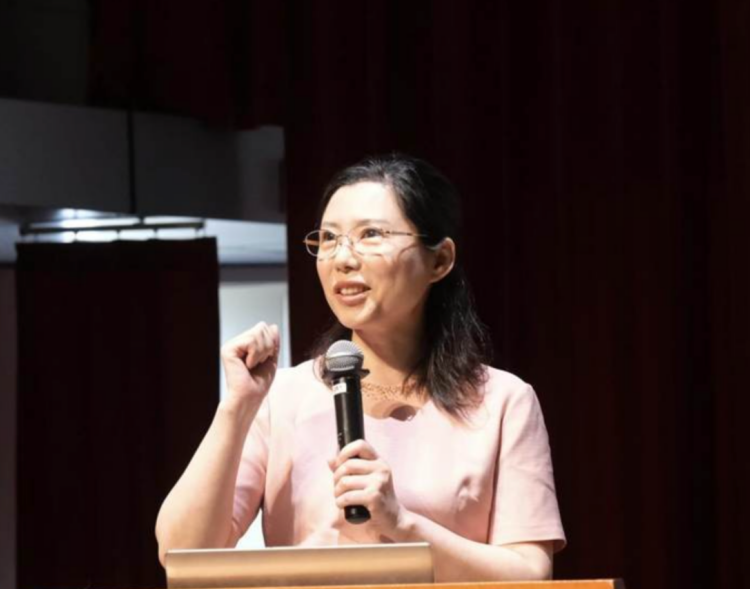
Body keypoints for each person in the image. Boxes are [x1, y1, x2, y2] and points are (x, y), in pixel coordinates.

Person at [155, 153, 565, 582]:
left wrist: (401, 523)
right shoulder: (281, 398)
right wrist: (236, 408)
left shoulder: (502, 402)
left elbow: (530, 574)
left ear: (439, 260)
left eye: (371, 234)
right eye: (329, 238)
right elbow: (180, 553)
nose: (343, 258)